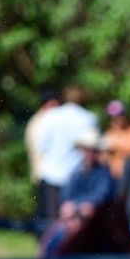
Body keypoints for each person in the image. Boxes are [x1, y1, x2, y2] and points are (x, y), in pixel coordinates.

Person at [40, 130, 116, 258]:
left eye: (93, 150)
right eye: (87, 149)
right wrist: (72, 207)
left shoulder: (104, 172)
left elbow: (101, 196)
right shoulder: (76, 171)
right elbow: (67, 195)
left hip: (92, 218)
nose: (89, 153)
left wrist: (78, 206)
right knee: (52, 238)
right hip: (74, 215)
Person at [36, 85, 99, 228]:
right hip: (75, 176)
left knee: (51, 224)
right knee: (74, 226)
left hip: (51, 175)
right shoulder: (89, 118)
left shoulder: (50, 116)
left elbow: (42, 147)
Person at [25, 89, 60, 231]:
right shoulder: (38, 123)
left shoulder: (51, 121)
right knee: (47, 215)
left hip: (51, 174)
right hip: (44, 175)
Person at [103, 100, 130, 181]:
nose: (117, 119)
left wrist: (117, 149)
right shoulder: (109, 133)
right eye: (114, 117)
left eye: (120, 115)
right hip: (113, 178)